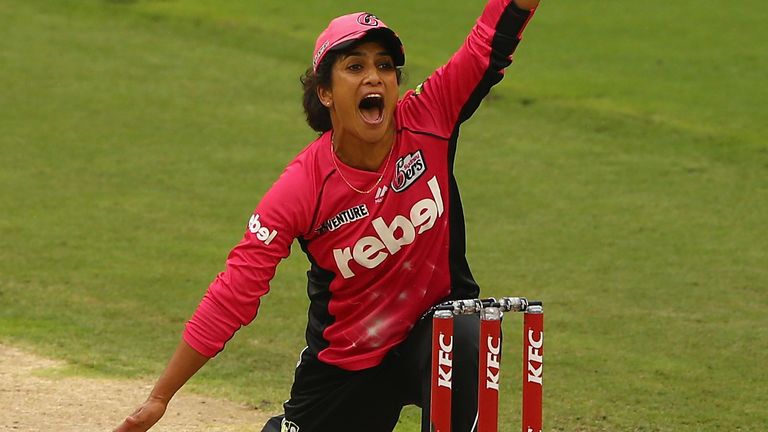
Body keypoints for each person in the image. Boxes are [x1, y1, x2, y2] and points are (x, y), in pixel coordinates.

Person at [114, 0, 540, 431]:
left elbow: (489, 42)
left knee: (465, 330)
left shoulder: (430, 117)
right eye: (354, 67)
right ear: (325, 92)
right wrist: (159, 397)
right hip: (348, 362)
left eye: (385, 66)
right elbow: (234, 294)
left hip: (436, 336)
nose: (374, 76)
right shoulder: (302, 187)